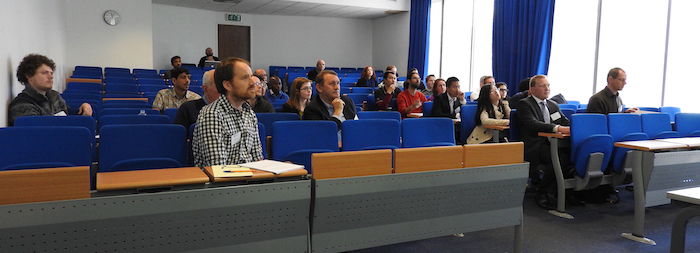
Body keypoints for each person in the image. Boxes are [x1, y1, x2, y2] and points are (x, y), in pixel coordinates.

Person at [192, 57, 263, 167]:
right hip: (224, 183)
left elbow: (257, 159)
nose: (252, 83)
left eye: (251, 77)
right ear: (227, 85)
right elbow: (218, 168)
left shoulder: (249, 113)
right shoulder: (212, 115)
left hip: (249, 180)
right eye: (245, 78)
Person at [517, 75, 571, 210]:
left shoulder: (552, 105)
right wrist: (557, 128)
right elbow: (533, 124)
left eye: (548, 85)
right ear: (532, 89)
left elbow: (564, 122)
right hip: (535, 144)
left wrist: (576, 127)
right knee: (559, 159)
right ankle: (543, 192)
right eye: (542, 86)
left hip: (554, 143)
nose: (547, 89)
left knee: (572, 155)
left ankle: (563, 192)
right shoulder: (525, 104)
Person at [8, 54, 92, 126]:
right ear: (29, 76)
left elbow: (68, 115)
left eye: (51, 73)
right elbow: (35, 135)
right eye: (44, 73)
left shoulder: (54, 96)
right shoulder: (22, 105)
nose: (51, 77)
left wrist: (84, 108)